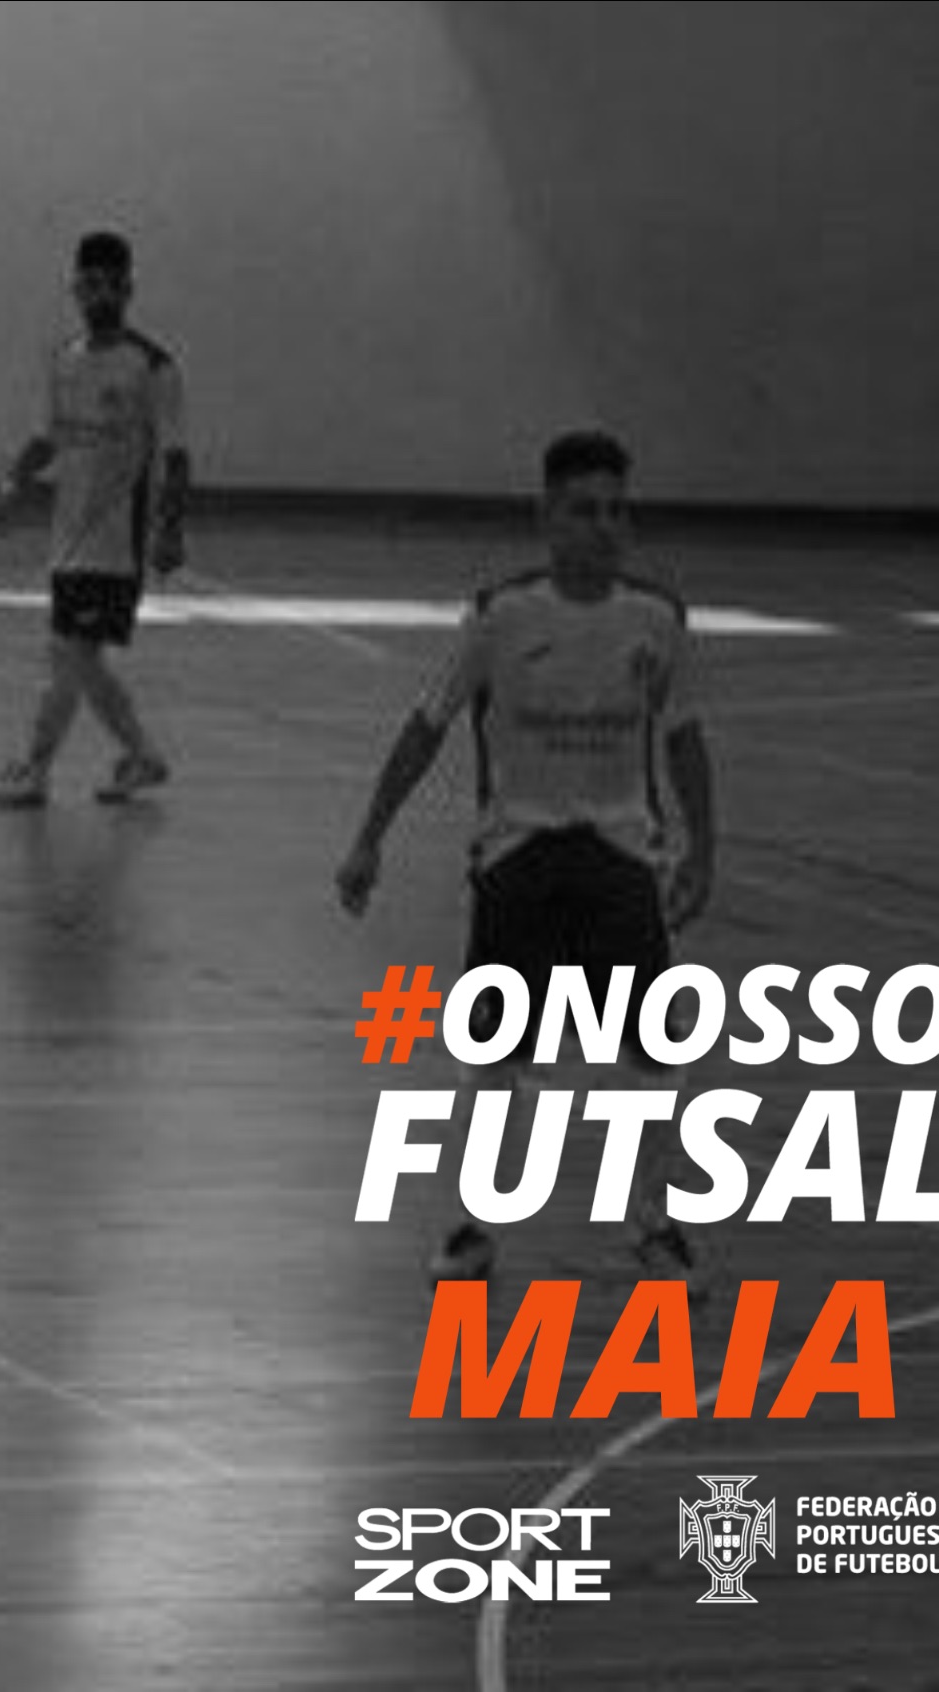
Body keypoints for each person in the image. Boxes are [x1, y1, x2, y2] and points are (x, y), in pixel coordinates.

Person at [336, 429, 714, 1283]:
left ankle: (654, 1223)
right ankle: (473, 1226)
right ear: (547, 516)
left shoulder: (657, 620)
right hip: (518, 859)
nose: (604, 527)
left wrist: (703, 851)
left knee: (655, 1048)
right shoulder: (500, 616)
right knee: (498, 1054)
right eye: (584, 510)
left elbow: (685, 738)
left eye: (616, 511)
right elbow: (426, 727)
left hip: (620, 858)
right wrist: (369, 838)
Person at [0, 230, 190, 808]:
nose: (97, 295)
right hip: (66, 541)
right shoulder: (64, 359)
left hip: (116, 544)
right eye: (87, 284)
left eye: (107, 284)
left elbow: (176, 457)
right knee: (82, 660)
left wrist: (170, 529)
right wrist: (11, 484)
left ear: (127, 289)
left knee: (68, 655)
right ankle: (142, 757)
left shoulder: (153, 367)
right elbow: (47, 438)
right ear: (74, 288)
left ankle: (34, 771)